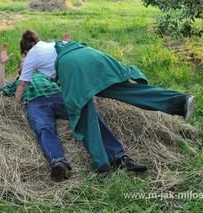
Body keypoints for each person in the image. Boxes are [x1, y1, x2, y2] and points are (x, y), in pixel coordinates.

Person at [14, 30, 195, 173]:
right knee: (127, 90)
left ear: (24, 52)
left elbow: (22, 85)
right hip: (92, 55)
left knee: (83, 113)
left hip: (74, 68)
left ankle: (103, 165)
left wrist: (14, 106)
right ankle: (180, 102)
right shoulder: (52, 44)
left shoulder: (30, 57)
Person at [0, 43, 147, 181]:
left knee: (90, 116)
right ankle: (58, 163)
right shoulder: (17, 83)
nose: (29, 63)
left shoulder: (47, 75)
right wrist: (1, 65)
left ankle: (119, 157)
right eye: (24, 63)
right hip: (35, 103)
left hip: (59, 97)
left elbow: (68, 71)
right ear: (20, 70)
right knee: (43, 128)